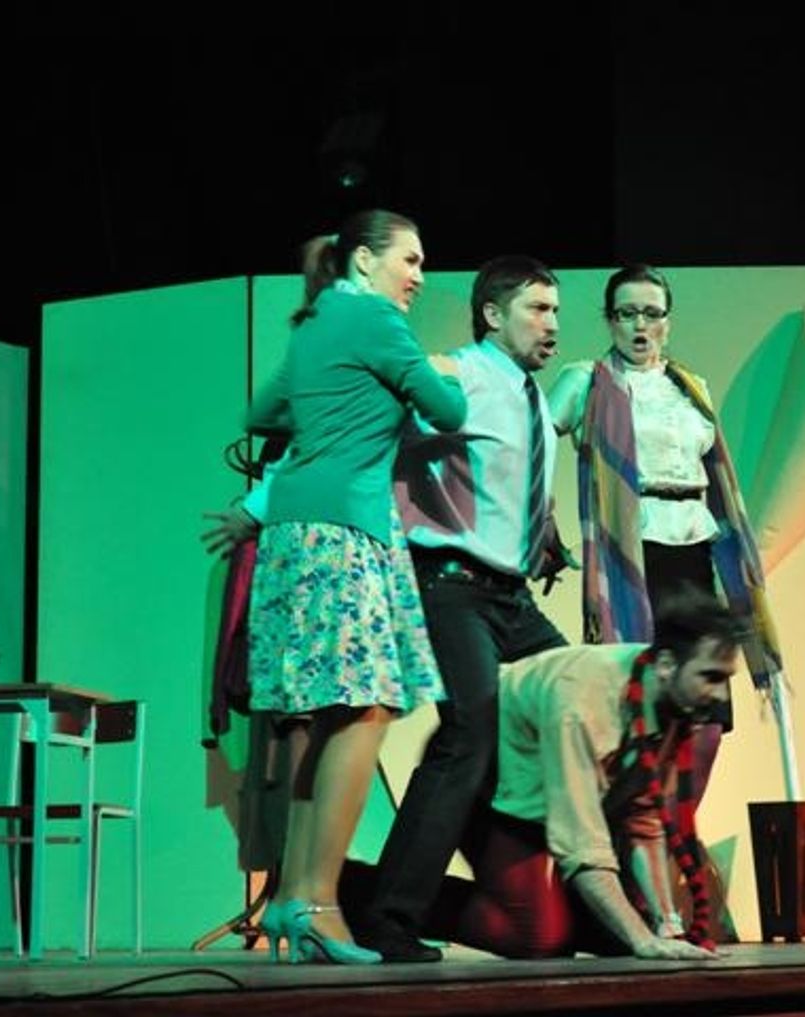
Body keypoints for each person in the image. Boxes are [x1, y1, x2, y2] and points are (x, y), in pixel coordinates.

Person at [244, 208, 466, 965]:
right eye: (411, 259)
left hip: (295, 530)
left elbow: (263, 410)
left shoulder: (315, 324)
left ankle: (291, 896)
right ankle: (320, 901)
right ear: (364, 261)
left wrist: (336, 406)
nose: (419, 276)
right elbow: (449, 410)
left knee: (328, 713)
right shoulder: (375, 319)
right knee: (368, 706)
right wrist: (429, 372)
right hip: (345, 529)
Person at [353, 254, 572, 962]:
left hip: (512, 597)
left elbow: (507, 482)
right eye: (537, 309)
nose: (552, 324)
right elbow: (386, 416)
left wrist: (545, 539)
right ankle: (386, 915)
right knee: (469, 732)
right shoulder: (462, 373)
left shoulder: (530, 396)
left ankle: (567, 900)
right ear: (492, 314)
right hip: (452, 587)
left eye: (556, 311)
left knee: (574, 701)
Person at [341, 590, 739, 961]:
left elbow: (644, 820)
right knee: (539, 937)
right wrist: (644, 940)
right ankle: (353, 890)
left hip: (543, 798)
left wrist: (667, 927)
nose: (721, 695)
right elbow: (582, 844)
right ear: (667, 665)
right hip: (493, 787)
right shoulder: (583, 703)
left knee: (616, 936)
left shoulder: (666, 696)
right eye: (711, 677)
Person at [546, 264, 784, 800]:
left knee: (706, 712)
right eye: (627, 313)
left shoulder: (691, 388)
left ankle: (678, 827)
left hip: (695, 549)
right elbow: (532, 439)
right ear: (610, 319)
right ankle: (635, 824)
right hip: (635, 555)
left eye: (651, 314)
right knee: (643, 701)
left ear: (667, 323)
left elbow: (714, 469)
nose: (640, 325)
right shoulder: (587, 380)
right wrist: (542, 517)